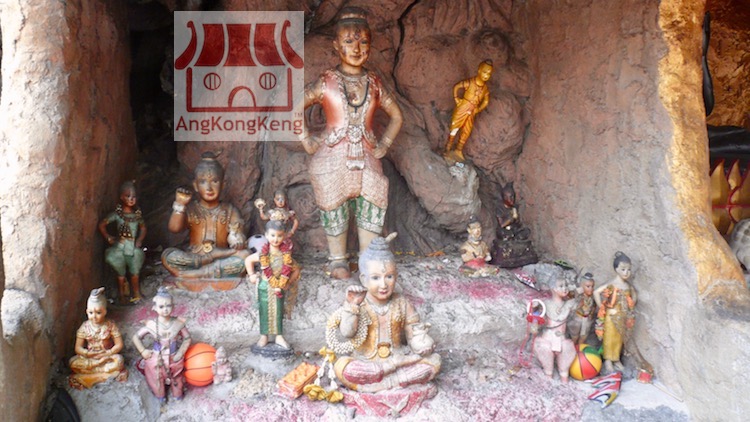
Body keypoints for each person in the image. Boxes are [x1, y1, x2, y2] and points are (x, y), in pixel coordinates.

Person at [301, 7, 403, 279]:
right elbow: (295, 108)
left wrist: (385, 144)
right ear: (336, 45)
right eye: (348, 41)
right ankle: (337, 260)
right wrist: (307, 140)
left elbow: (397, 116)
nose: (356, 49)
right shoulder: (327, 81)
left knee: (372, 200)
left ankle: (368, 258)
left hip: (367, 154)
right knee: (333, 203)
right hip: (332, 152)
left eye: (363, 42)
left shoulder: (374, 82)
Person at [325, 233, 441, 393]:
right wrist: (352, 306)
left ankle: (377, 385)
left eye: (389, 277)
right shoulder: (360, 303)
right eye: (375, 278)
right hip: (367, 362)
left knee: (434, 361)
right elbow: (347, 333)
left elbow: (413, 334)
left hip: (399, 358)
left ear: (396, 277)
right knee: (342, 366)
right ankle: (396, 382)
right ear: (364, 279)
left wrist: (422, 343)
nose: (383, 284)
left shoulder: (402, 302)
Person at [161, 152, 249, 279]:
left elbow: (237, 233)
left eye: (214, 181)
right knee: (168, 255)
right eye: (203, 182)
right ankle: (205, 268)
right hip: (195, 258)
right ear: (195, 186)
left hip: (221, 258)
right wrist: (180, 205)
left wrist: (236, 239)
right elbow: (174, 228)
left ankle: (197, 274)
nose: (209, 188)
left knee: (245, 255)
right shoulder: (191, 209)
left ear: (223, 185)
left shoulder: (230, 210)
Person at [245, 220, 301, 349]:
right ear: (266, 235)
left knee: (278, 311)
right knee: (264, 311)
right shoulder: (263, 254)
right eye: (272, 235)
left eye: (279, 236)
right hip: (264, 286)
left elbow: (296, 269)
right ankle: (264, 336)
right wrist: (251, 275)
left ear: (284, 236)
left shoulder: (285, 255)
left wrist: (288, 282)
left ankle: (279, 336)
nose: (276, 239)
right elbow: (248, 260)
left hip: (279, 287)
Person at [132, 288, 192, 401]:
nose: (165, 309)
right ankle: (160, 396)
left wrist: (180, 352)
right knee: (156, 379)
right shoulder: (151, 324)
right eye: (161, 306)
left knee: (177, 378)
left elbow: (187, 338)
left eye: (168, 306)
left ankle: (177, 395)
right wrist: (143, 351)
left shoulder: (178, 323)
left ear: (173, 306)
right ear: (154, 307)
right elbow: (136, 337)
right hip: (156, 358)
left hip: (174, 357)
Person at [68, 287, 127, 389]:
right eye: (91, 313)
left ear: (104, 312)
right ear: (87, 312)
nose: (94, 316)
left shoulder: (110, 325)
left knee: (119, 361)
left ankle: (90, 376)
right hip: (91, 358)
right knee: (73, 362)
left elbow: (119, 344)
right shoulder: (84, 327)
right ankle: (105, 375)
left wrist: (108, 353)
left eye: (98, 313)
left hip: (106, 357)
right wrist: (87, 353)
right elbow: (78, 348)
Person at [99, 181, 146, 303]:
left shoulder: (136, 216)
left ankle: (136, 293)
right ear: (121, 197)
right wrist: (108, 237)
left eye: (133, 197)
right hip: (120, 246)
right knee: (120, 272)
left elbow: (143, 228)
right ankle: (121, 295)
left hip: (132, 246)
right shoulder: (117, 214)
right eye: (128, 196)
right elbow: (102, 224)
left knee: (135, 270)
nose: (131, 199)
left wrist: (140, 239)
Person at [594, 252, 637, 374]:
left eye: (628, 269)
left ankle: (616, 359)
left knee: (619, 339)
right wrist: (601, 307)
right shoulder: (612, 284)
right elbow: (596, 292)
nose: (626, 272)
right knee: (609, 337)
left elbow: (634, 295)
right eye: (623, 269)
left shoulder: (628, 286)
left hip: (623, 316)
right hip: (611, 315)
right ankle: (608, 360)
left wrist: (631, 305)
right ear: (616, 269)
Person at [444, 60, 493, 162]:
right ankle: (448, 148)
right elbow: (457, 86)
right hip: (463, 107)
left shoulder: (485, 89)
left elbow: (486, 101)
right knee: (455, 126)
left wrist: (478, 109)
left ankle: (458, 150)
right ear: (479, 70)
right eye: (484, 72)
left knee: (467, 130)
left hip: (472, 110)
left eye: (489, 74)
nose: (486, 76)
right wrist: (457, 99)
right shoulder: (471, 82)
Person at [533, 278, 578, 383]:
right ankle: (548, 379)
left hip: (562, 339)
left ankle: (564, 380)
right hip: (547, 339)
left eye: (565, 285)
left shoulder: (569, 304)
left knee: (565, 362)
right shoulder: (545, 304)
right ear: (553, 288)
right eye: (561, 286)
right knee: (546, 359)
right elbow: (536, 323)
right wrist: (535, 311)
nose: (565, 288)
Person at [568, 273, 597, 345]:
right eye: (588, 286)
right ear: (582, 286)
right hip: (577, 318)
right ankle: (573, 347)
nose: (591, 289)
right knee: (574, 335)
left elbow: (594, 305)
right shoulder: (579, 295)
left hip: (587, 319)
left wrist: (591, 313)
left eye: (592, 286)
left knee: (584, 336)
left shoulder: (592, 297)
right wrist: (576, 292)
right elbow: (569, 295)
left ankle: (580, 348)